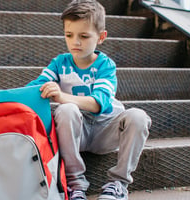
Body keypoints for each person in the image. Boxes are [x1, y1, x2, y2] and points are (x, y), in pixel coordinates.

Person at [26, 0, 152, 200]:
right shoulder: (60, 63)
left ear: (101, 37)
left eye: (83, 36)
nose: (75, 42)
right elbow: (33, 89)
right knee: (66, 110)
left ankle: (118, 183)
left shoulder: (105, 65)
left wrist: (61, 96)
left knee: (139, 117)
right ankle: (75, 184)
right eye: (69, 35)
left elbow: (98, 103)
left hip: (105, 131)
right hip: (76, 131)